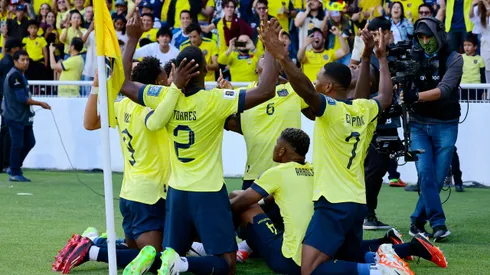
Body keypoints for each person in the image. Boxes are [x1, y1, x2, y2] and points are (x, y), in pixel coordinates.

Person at [116, 14, 279, 275]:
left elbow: (122, 83)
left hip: (177, 193)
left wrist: (133, 37)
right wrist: (271, 48)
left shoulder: (162, 95)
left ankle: (175, 261)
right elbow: (267, 90)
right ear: (204, 70)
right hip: (208, 191)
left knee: (168, 254)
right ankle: (183, 264)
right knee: (226, 264)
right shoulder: (216, 100)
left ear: (176, 72)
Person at [260, 19, 393, 274]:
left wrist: (283, 57)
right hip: (356, 202)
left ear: (329, 87)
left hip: (333, 202)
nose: (314, 83)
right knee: (344, 259)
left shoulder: (329, 109)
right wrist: (377, 58)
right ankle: (378, 263)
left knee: (308, 267)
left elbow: (303, 89)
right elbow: (385, 97)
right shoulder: (362, 109)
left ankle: (378, 270)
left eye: (318, 80)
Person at [230, 128, 446, 274]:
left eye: (277, 144)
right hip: (325, 235)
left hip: (290, 258)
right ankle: (403, 248)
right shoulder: (315, 169)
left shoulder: (277, 173)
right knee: (348, 252)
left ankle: (379, 268)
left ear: (282, 150)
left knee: (246, 208)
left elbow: (244, 203)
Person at [54, 57, 177, 274]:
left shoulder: (123, 106)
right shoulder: (157, 109)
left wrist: (95, 87)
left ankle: (96, 240)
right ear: (157, 82)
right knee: (157, 258)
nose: (168, 81)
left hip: (129, 193)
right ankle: (91, 250)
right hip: (150, 195)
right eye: (165, 77)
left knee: (138, 250)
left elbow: (89, 123)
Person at [402, 17, 463, 242]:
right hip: (417, 124)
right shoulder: (411, 56)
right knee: (425, 173)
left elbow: (444, 89)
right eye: (420, 37)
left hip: (446, 124)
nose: (425, 41)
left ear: (439, 35)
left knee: (437, 179)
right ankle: (438, 223)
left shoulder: (454, 58)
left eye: (428, 36)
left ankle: (417, 222)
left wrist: (415, 96)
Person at [2, 50, 51, 182]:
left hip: (23, 117)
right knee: (17, 144)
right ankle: (14, 171)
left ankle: (14, 167)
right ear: (15, 61)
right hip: (15, 116)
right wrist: (40, 103)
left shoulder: (20, 75)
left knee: (29, 142)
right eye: (22, 60)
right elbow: (22, 99)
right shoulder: (15, 77)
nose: (26, 62)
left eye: (27, 60)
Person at [0, 38, 23, 172]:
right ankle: (5, 162)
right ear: (13, 49)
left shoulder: (4, 61)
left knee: (5, 131)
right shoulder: (9, 64)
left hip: (3, 99)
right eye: (19, 47)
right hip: (6, 101)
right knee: (6, 132)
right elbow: (6, 85)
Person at [461, 33, 486, 100]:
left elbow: (483, 75)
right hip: (463, 86)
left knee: (477, 106)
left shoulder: (480, 59)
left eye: (469, 45)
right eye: (465, 45)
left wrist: (485, 91)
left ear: (475, 47)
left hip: (476, 86)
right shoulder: (460, 57)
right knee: (463, 106)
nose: (466, 47)